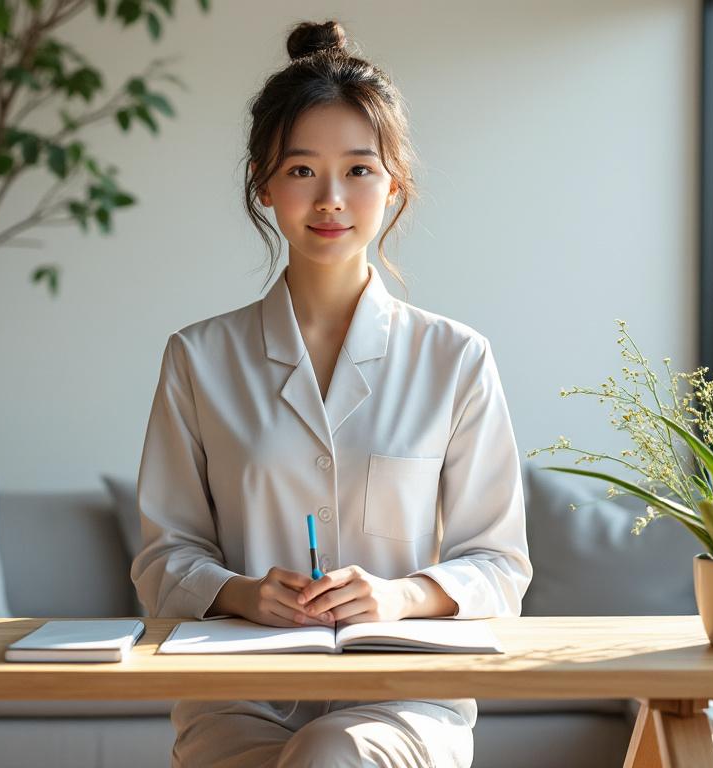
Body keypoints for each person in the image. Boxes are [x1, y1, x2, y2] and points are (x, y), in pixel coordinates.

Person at [131, 18, 532, 768]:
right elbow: (164, 559)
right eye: (301, 170)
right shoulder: (198, 358)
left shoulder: (455, 358)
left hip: (403, 697)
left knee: (328, 758)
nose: (331, 199)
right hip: (239, 696)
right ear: (264, 182)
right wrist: (245, 595)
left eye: (358, 170)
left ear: (394, 183)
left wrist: (397, 596)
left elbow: (499, 563)